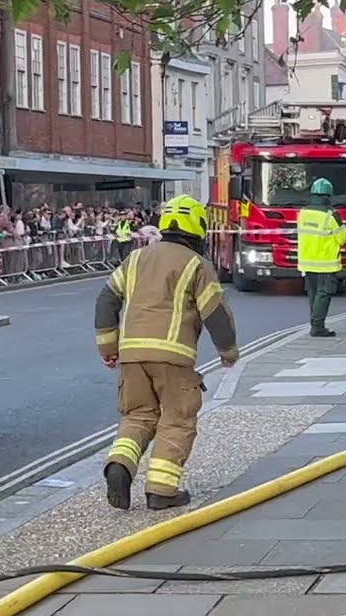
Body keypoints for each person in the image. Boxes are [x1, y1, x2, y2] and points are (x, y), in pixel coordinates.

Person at [94, 194, 239, 511]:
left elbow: (107, 299)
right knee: (177, 419)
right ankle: (162, 490)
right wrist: (228, 352)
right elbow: (215, 313)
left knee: (138, 416)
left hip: (132, 356)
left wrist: (108, 346)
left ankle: (119, 464)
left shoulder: (135, 259)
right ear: (197, 227)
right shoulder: (198, 264)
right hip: (174, 357)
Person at [296, 178, 346, 337]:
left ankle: (314, 323)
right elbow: (342, 238)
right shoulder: (331, 215)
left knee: (313, 294)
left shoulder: (303, 213)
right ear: (328, 196)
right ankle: (317, 326)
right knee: (324, 294)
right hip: (326, 262)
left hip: (307, 261)